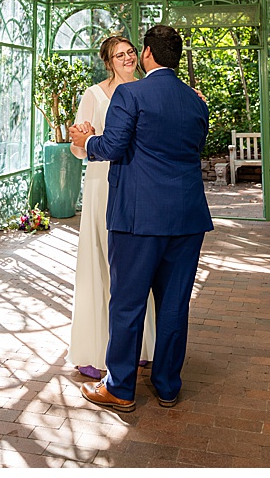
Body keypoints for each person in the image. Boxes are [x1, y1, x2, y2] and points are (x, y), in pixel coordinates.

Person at [69, 24, 213, 412]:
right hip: (187, 219)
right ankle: (167, 386)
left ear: (147, 54)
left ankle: (120, 388)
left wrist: (85, 142)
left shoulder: (130, 94)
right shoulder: (197, 101)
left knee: (128, 303)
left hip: (137, 219)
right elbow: (192, 148)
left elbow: (113, 146)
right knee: (173, 305)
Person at [67, 35, 156, 381]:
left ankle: (141, 346)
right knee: (101, 264)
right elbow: (78, 149)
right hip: (101, 185)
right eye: (119, 55)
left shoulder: (147, 90)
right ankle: (96, 348)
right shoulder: (94, 95)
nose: (127, 58)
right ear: (108, 61)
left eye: (131, 52)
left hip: (136, 186)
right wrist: (83, 135)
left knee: (135, 267)